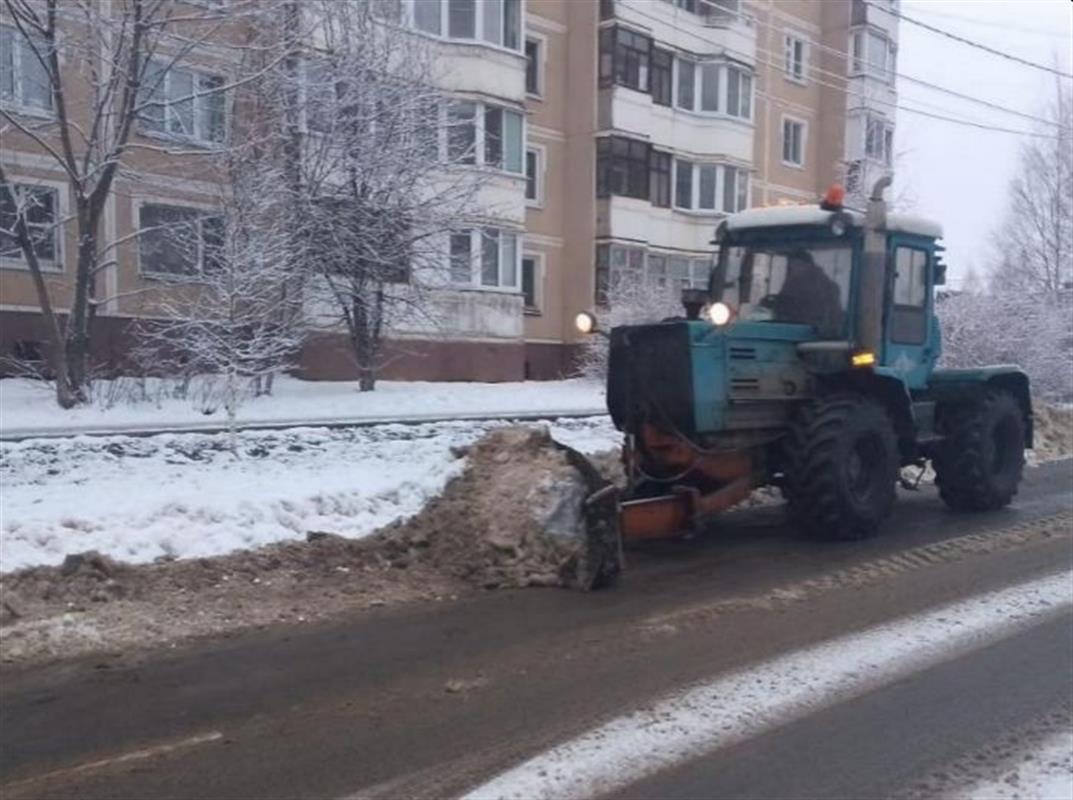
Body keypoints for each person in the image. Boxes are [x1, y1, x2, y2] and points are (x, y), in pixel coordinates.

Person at [772, 249, 844, 336]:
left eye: (797, 266)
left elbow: (831, 320)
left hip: (814, 338)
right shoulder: (793, 284)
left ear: (808, 266)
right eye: (791, 267)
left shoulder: (825, 288)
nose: (794, 270)